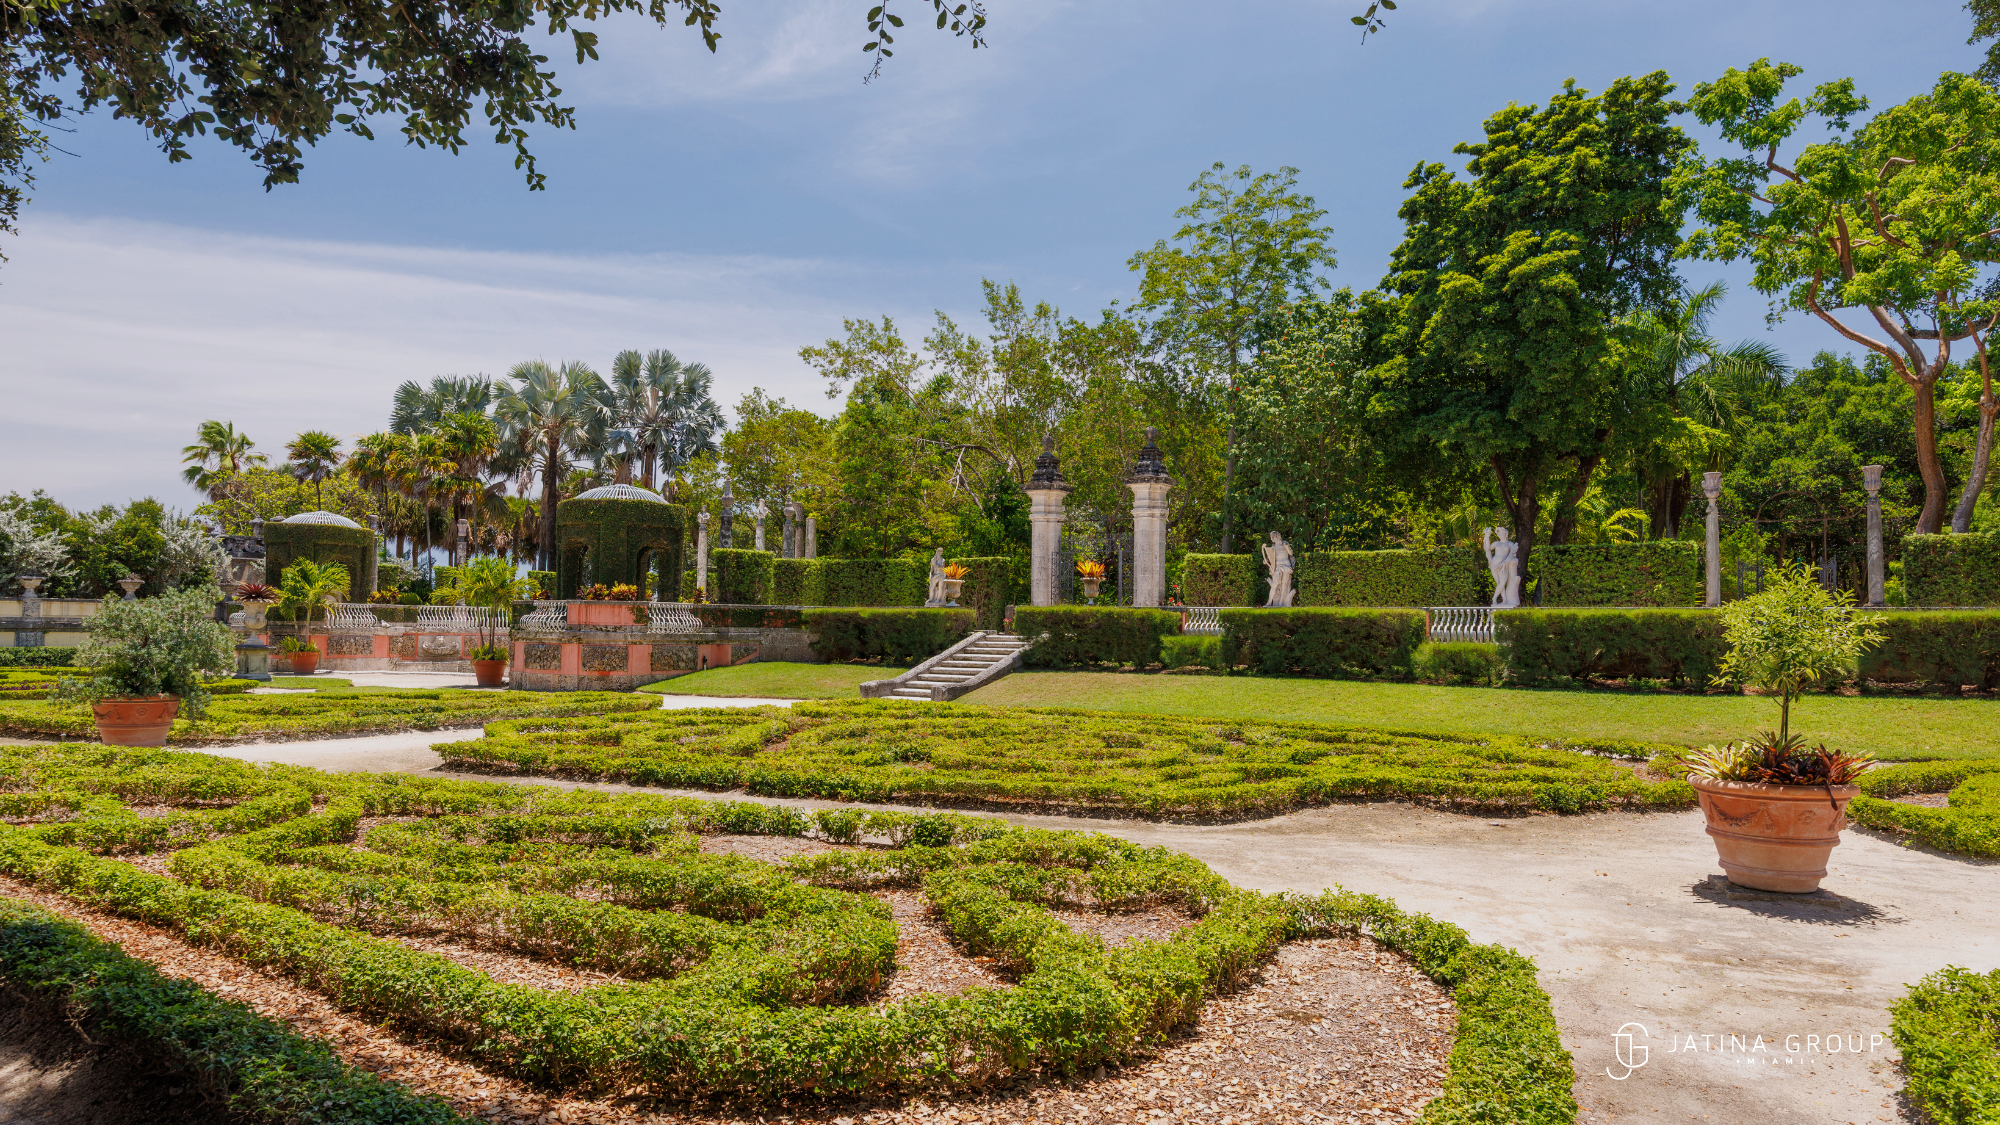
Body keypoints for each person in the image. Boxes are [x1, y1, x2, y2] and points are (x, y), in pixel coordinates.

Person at [1483, 527, 1520, 608]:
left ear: (1506, 534)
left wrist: (1505, 563)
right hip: (1494, 564)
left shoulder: (1510, 544)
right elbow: (1487, 548)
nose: (1500, 535)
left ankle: (1494, 598)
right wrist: (1487, 536)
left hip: (1503, 565)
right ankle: (1504, 600)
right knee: (1499, 583)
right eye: (1498, 534)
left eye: (1501, 534)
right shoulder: (1496, 543)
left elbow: (1512, 554)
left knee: (1502, 582)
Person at [1262, 531, 1296, 608]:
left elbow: (1291, 553)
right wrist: (1266, 560)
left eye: (1272, 537)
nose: (1271, 539)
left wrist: (1287, 547)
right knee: (1274, 584)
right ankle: (1269, 602)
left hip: (1286, 565)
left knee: (1284, 584)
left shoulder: (1284, 543)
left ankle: (1281, 602)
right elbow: (1270, 557)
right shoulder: (1273, 547)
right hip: (1277, 567)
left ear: (1277, 536)